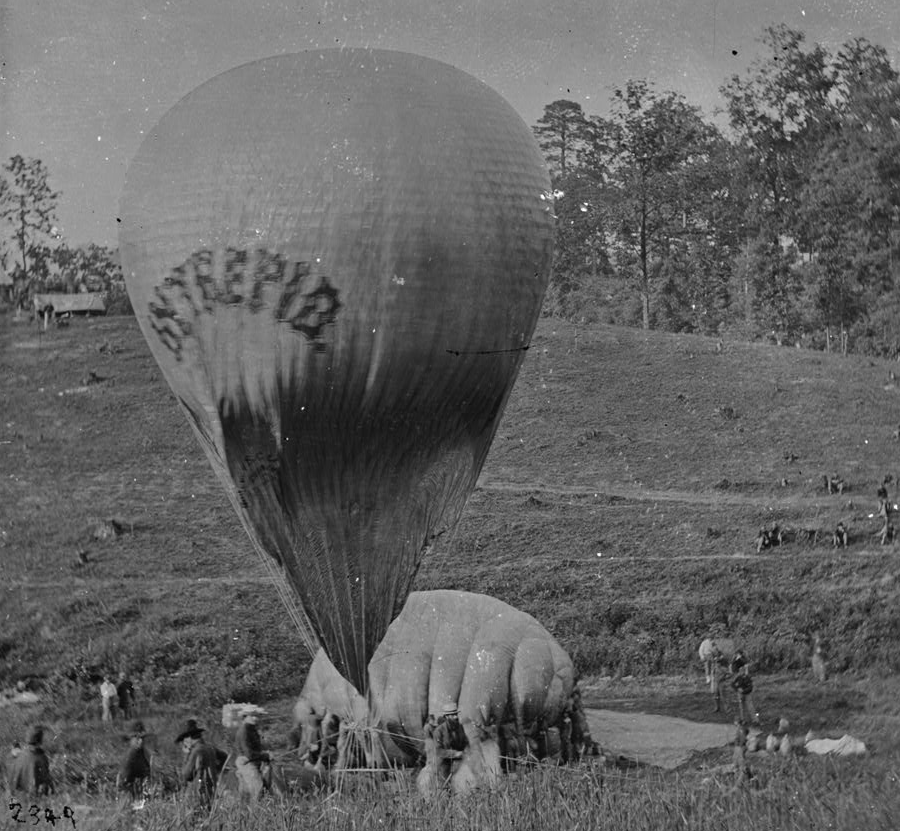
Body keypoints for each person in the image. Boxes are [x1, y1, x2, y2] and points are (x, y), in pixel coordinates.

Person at [176, 719, 228, 812]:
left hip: (197, 793)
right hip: (211, 790)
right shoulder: (210, 747)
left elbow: (186, 775)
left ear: (189, 738)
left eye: (184, 739)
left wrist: (186, 754)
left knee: (195, 821)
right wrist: (216, 770)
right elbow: (225, 757)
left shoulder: (196, 751)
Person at [234, 709, 272, 800]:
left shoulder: (252, 729)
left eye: (257, 716)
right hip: (247, 763)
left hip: (255, 762)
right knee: (258, 789)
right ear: (245, 717)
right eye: (252, 716)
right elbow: (249, 754)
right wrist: (265, 755)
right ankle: (256, 811)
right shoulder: (244, 731)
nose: (255, 718)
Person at [8, 726, 54, 796]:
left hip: (15, 794)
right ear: (40, 741)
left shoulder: (19, 755)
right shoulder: (41, 757)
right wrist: (52, 790)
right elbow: (46, 779)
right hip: (34, 796)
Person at [117, 720, 151, 809]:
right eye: (136, 738)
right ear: (130, 739)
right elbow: (124, 782)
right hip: (129, 796)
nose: (140, 741)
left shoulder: (143, 753)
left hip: (140, 794)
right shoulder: (130, 756)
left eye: (142, 738)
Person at [431, 702, 468, 785]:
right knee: (445, 787)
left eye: (456, 714)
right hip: (444, 764)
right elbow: (438, 751)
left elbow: (466, 742)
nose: (456, 717)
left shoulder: (460, 727)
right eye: (453, 715)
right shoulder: (438, 731)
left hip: (459, 763)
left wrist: (466, 751)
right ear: (446, 717)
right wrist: (455, 753)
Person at [730, 654, 759, 726]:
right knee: (741, 708)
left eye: (742, 671)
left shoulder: (747, 678)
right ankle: (743, 720)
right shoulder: (738, 678)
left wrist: (744, 690)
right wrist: (737, 689)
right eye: (740, 671)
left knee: (750, 707)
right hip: (740, 694)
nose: (741, 672)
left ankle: (755, 720)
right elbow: (732, 684)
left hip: (747, 694)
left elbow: (750, 687)